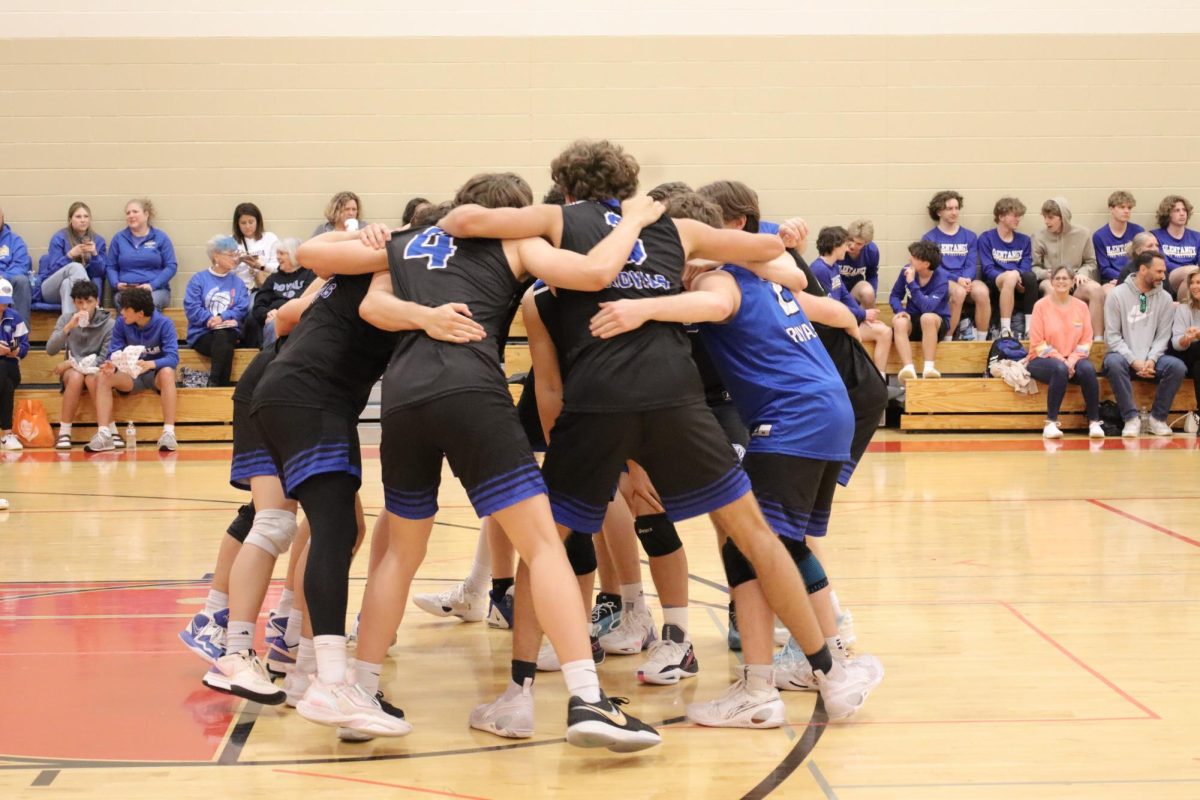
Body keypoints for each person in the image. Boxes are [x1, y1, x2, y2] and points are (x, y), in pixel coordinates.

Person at [439, 139, 879, 727]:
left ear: (567, 189)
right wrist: (758, 242)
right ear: (629, 184)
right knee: (755, 536)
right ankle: (831, 672)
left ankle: (518, 697)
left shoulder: (559, 220)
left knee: (544, 549)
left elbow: (463, 219)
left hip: (599, 401)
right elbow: (772, 248)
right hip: (678, 397)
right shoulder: (679, 229)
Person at [315, 172, 667, 750]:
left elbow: (372, 306)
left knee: (402, 551)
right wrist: (632, 219)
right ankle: (587, 697)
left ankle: (361, 690)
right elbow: (597, 273)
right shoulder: (516, 242)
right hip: (470, 387)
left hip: (402, 396)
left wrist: (424, 317)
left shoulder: (405, 244)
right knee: (542, 544)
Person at [1102, 251, 1187, 437]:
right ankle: (1131, 419)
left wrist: (1152, 360)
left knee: (1177, 367)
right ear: (1142, 270)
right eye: (1158, 272)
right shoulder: (1116, 295)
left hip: (1151, 360)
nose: (1163, 276)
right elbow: (1113, 337)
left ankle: (1157, 419)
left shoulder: (1164, 298)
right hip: (1123, 358)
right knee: (1114, 363)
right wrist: (1134, 360)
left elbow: (1163, 336)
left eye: (1164, 272)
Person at [85, 287, 179, 452]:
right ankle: (104, 434)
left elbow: (173, 358)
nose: (122, 312)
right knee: (103, 375)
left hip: (153, 375)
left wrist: (151, 364)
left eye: (126, 309)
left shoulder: (164, 324)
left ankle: (169, 433)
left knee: (168, 372)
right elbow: (114, 350)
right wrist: (111, 364)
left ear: (140, 313)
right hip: (129, 376)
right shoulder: (122, 323)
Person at [1027, 267, 1104, 439]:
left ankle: (1094, 422)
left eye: (1065, 278)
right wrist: (1062, 360)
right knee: (1059, 369)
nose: (1061, 281)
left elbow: (1086, 340)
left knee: (1088, 370)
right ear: (1052, 281)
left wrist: (1072, 359)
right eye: (1058, 278)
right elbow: (1038, 343)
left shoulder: (1081, 307)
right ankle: (1051, 423)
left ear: (1072, 282)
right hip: (1041, 359)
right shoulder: (1040, 306)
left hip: (1073, 359)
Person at [809, 226, 892, 375]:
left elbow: (844, 294)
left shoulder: (832, 266)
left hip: (841, 321)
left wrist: (862, 314)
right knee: (882, 332)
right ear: (835, 247)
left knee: (885, 332)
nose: (848, 248)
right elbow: (833, 307)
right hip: (831, 329)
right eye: (845, 244)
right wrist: (862, 315)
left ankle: (879, 378)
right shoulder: (819, 270)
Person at [45, 281, 115, 449]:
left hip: (94, 370)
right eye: (79, 302)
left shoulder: (109, 324)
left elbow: (104, 357)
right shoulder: (66, 319)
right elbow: (50, 349)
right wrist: (68, 327)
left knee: (92, 378)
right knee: (76, 377)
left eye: (89, 301)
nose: (84, 306)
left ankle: (108, 431)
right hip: (73, 372)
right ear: (74, 303)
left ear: (97, 301)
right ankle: (64, 432)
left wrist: (70, 363)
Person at [184, 236, 251, 387]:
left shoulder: (238, 282)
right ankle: (222, 385)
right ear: (216, 255)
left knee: (224, 334)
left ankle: (214, 382)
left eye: (236, 254)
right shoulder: (198, 279)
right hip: (203, 333)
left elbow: (242, 307)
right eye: (231, 254)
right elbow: (192, 307)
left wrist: (223, 317)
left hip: (228, 331)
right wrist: (210, 320)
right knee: (224, 340)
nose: (235, 258)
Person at [1032, 197, 1103, 338]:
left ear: (1062, 217)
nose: (1047, 222)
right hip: (1051, 278)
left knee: (1096, 290)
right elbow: (1034, 267)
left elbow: (1090, 261)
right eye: (1045, 217)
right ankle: (1051, 338)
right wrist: (1043, 274)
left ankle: (1098, 339)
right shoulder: (1038, 236)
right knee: (1052, 289)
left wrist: (1083, 273)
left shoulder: (1083, 234)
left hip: (1076, 277)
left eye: (1051, 218)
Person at [922, 190, 988, 341]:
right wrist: (957, 279)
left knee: (982, 292)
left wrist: (966, 279)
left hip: (965, 279)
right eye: (949, 208)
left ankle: (982, 340)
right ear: (939, 211)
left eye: (957, 208)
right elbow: (934, 267)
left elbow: (971, 262)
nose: (954, 212)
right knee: (959, 293)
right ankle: (948, 338)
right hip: (943, 280)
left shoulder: (969, 236)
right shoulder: (929, 238)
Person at [890, 240, 949, 381]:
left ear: (926, 264)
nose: (910, 259)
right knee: (899, 323)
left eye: (914, 257)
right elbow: (895, 295)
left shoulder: (941, 278)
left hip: (936, 322)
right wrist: (899, 311)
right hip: (913, 319)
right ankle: (908, 369)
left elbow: (928, 308)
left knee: (927, 318)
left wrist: (911, 283)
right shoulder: (907, 270)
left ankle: (929, 368)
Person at [978, 197, 1036, 339]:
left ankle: (1030, 327)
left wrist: (1016, 274)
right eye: (1015, 216)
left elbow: (1026, 265)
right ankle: (1005, 328)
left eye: (1019, 216)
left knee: (1030, 277)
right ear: (1001, 216)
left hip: (1018, 279)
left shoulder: (1024, 239)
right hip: (996, 279)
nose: (1018, 219)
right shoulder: (986, 238)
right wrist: (1009, 277)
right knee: (1010, 276)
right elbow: (987, 268)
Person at [105, 198, 177, 309]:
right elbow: (111, 266)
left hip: (155, 291)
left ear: (146, 214)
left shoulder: (160, 237)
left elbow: (171, 266)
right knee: (124, 302)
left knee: (148, 304)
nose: (131, 215)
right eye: (128, 213)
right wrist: (116, 284)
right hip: (126, 292)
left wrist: (152, 286)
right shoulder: (119, 238)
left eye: (135, 211)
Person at [38, 202, 107, 310]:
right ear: (70, 219)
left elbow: (100, 274)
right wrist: (69, 255)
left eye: (86, 216)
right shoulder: (59, 238)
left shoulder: (98, 241)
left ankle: (71, 325)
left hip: (71, 290)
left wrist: (95, 255)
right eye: (78, 217)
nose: (83, 220)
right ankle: (92, 304)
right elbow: (51, 271)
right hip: (51, 289)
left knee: (67, 284)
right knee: (76, 266)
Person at [251, 238, 314, 349]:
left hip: (298, 319)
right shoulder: (273, 278)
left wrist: (281, 313)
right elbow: (258, 304)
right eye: (277, 253)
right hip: (274, 320)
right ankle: (269, 361)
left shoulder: (309, 274)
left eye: (281, 253)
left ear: (293, 255)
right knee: (272, 324)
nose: (278, 257)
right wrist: (267, 313)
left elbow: (307, 301)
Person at [1093, 191, 1144, 297]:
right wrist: (1122, 279)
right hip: (1111, 280)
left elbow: (1143, 260)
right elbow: (1105, 268)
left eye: (1129, 208)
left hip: (1135, 277)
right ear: (1111, 209)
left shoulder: (1138, 231)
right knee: (1111, 293)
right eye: (1122, 207)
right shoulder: (1099, 236)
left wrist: (1130, 278)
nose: (1126, 211)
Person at [1151, 194, 1200, 301]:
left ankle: (1184, 312)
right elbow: (1162, 263)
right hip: (1168, 277)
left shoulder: (1197, 237)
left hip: (1193, 277)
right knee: (1192, 272)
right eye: (1177, 210)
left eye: (1184, 210)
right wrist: (1188, 269)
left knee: (1191, 278)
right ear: (1167, 214)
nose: (1182, 213)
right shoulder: (1156, 236)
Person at [0, 278, 29, 451]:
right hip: (6, 372)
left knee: (5, 369)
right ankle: (7, 433)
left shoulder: (15, 317)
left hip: (10, 365)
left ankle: (7, 435)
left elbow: (25, 347)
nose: (2, 307)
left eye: (5, 303)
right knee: (7, 385)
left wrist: (15, 351)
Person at [1169, 270, 1200, 431]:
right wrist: (1186, 339)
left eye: (1198, 283)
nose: (1194, 286)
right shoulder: (1183, 308)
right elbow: (1176, 344)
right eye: (1192, 283)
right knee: (1196, 347)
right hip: (1187, 354)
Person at [231, 202, 279, 291]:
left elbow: (278, 267)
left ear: (258, 221)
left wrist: (260, 266)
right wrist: (236, 262)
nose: (248, 226)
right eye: (243, 223)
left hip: (264, 287)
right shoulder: (231, 241)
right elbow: (224, 270)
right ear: (237, 224)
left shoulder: (270, 238)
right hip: (239, 289)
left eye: (251, 222)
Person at [838, 218, 880, 308]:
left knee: (868, 292)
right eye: (851, 240)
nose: (852, 246)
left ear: (866, 243)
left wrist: (872, 298)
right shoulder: (837, 246)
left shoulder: (871, 251)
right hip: (836, 291)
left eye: (859, 243)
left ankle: (864, 319)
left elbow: (872, 275)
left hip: (855, 291)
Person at [0, 207, 32, 324]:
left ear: (2, 218)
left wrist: (3, 277)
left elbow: (21, 265)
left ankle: (20, 337)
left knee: (22, 280)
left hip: (7, 281)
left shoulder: (15, 240)